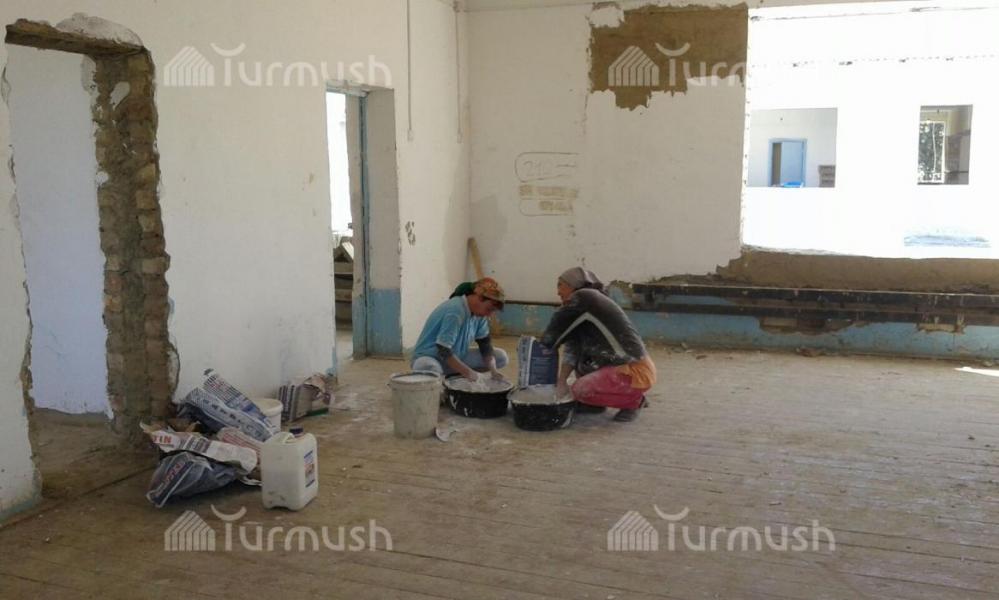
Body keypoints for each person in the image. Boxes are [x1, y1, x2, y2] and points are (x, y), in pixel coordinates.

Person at [540, 267, 656, 422]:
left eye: (560, 285)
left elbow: (552, 333)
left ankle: (634, 402)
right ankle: (595, 405)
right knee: (582, 365)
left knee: (580, 389)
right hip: (617, 368)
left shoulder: (585, 297)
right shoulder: (584, 311)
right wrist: (561, 382)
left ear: (573, 285)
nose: (558, 292)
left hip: (635, 371)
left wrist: (540, 347)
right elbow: (571, 349)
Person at [411, 277, 509, 381]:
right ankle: (453, 378)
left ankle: (456, 376)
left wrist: (494, 371)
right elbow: (443, 350)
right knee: (428, 367)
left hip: (455, 358)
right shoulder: (455, 311)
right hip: (431, 357)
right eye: (489, 309)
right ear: (478, 298)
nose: (489, 314)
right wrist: (469, 373)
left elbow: (485, 345)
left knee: (500, 357)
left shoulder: (479, 315)